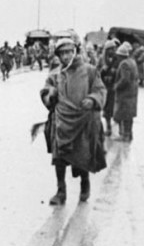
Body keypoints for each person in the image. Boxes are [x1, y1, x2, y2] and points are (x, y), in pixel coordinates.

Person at [40, 38, 106, 205]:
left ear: (75, 51)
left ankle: (85, 183)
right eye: (62, 53)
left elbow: (100, 90)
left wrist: (92, 100)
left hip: (82, 121)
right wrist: (50, 95)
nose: (66, 56)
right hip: (61, 122)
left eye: (69, 52)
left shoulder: (90, 71)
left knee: (82, 154)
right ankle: (61, 191)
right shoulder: (55, 75)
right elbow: (45, 92)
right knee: (59, 157)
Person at [113, 42, 139, 142]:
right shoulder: (132, 61)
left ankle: (125, 135)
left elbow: (125, 79)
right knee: (129, 115)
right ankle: (129, 134)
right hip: (132, 93)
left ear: (121, 56)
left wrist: (116, 86)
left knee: (124, 115)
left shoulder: (124, 64)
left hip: (125, 93)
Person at [99, 40, 120, 136]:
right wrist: (103, 70)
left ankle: (120, 128)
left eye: (113, 49)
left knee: (116, 108)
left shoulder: (118, 59)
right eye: (110, 49)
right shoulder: (102, 59)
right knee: (107, 109)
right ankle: (108, 128)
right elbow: (97, 72)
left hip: (114, 87)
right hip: (105, 87)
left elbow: (120, 72)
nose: (112, 51)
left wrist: (114, 71)